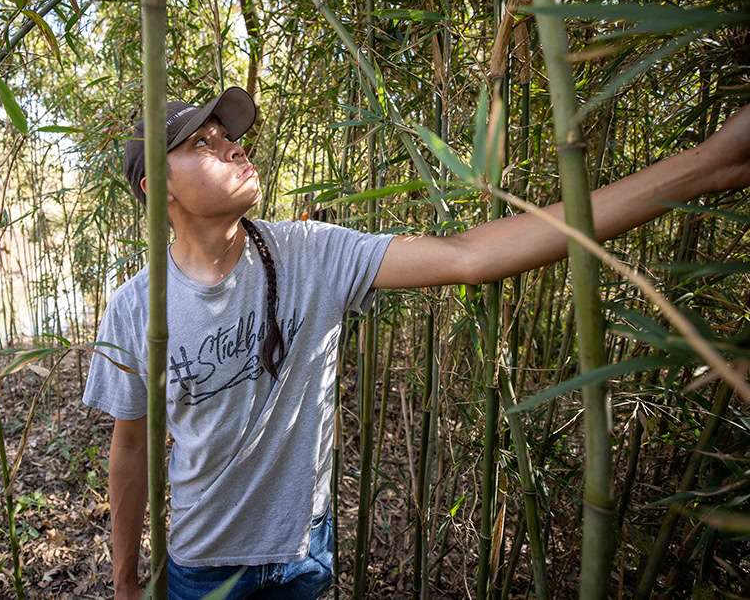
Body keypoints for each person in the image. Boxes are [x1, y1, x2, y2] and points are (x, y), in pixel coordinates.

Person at [82, 86, 750, 600]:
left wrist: (705, 167)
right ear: (156, 188)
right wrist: (123, 582)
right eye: (202, 142)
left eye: (227, 134)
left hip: (302, 548)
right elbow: (132, 446)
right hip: (203, 562)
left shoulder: (309, 253)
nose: (233, 145)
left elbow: (469, 255)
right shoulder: (137, 306)